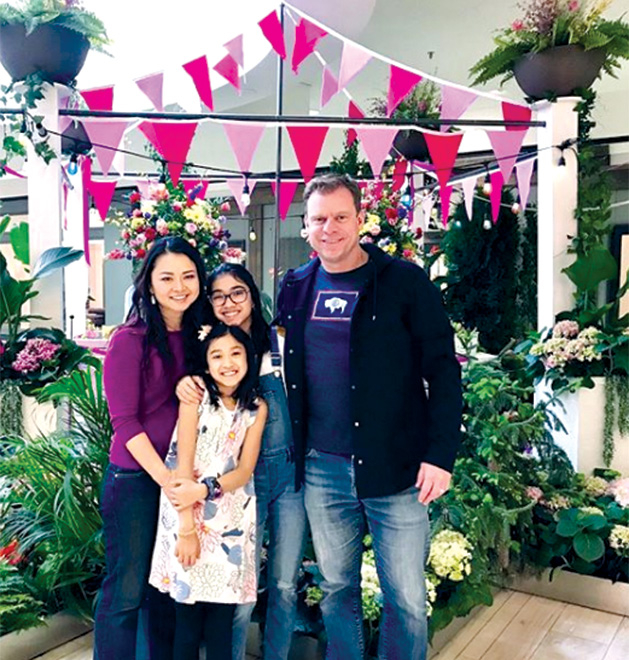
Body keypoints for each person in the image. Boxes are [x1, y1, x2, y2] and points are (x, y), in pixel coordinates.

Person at [275, 173, 463, 660]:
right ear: (305, 226)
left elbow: (444, 371)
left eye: (340, 217)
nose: (329, 228)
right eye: (319, 219)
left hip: (397, 470)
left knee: (405, 599)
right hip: (322, 468)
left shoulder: (403, 282)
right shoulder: (294, 288)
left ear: (361, 219)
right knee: (338, 589)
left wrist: (440, 455)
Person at [174, 263, 307, 660]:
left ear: (252, 294)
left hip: (288, 473)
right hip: (237, 481)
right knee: (239, 590)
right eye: (218, 295)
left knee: (284, 583)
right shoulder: (209, 351)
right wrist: (186, 381)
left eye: (238, 292)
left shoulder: (281, 341)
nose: (228, 303)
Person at [94, 237, 208, 660]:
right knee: (126, 589)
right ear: (150, 284)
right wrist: (168, 481)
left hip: (182, 480)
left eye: (188, 275)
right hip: (138, 480)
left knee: (165, 590)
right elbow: (124, 423)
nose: (179, 286)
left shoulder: (200, 338)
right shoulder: (130, 339)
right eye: (167, 277)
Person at [149, 323, 268, 660]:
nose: (227, 362)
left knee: (221, 624)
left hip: (230, 520)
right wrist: (187, 529)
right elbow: (183, 463)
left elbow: (244, 470)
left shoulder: (256, 408)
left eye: (235, 353)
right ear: (205, 361)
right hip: (187, 517)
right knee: (187, 624)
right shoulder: (197, 394)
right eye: (217, 355)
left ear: (249, 358)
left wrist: (205, 489)